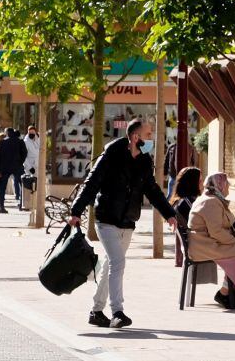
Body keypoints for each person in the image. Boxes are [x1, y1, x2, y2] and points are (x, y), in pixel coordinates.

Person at [67, 119, 177, 329]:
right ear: (135, 137)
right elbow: (91, 183)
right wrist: (76, 211)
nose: (151, 138)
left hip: (128, 220)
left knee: (111, 264)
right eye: (148, 134)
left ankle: (96, 311)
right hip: (106, 218)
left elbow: (152, 190)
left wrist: (169, 214)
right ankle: (117, 311)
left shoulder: (144, 161)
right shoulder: (111, 156)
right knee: (118, 263)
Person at [187, 172, 235, 310]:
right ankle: (225, 293)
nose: (229, 189)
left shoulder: (212, 199)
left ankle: (230, 292)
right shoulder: (211, 202)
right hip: (205, 245)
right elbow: (216, 231)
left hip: (207, 243)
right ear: (220, 185)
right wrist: (234, 242)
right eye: (227, 185)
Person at [169, 167, 213, 279]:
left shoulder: (183, 201)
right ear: (192, 183)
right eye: (199, 181)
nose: (202, 184)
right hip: (200, 247)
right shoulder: (187, 203)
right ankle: (227, 290)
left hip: (196, 245)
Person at [0, 127, 27, 213]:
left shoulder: (2, 142)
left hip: (4, 167)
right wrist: (20, 162)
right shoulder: (20, 141)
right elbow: (25, 153)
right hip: (17, 166)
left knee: (2, 187)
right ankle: (21, 204)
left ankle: (1, 206)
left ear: (7, 133)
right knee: (22, 185)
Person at [22, 126, 41, 211]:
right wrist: (29, 167)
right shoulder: (25, 142)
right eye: (30, 133)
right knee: (28, 186)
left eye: (33, 133)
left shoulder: (39, 140)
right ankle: (27, 204)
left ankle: (35, 204)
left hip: (38, 166)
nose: (32, 135)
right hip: (29, 167)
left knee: (36, 186)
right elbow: (24, 156)